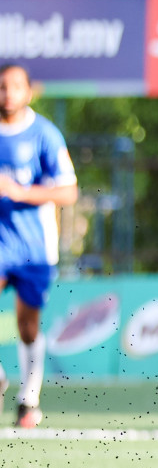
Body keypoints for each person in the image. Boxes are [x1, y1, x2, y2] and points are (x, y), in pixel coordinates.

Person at [0, 64, 77, 428]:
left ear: (29, 92)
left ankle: (28, 398)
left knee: (27, 325)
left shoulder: (45, 134)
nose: (8, 93)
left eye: (15, 86)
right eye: (2, 86)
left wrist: (21, 193)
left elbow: (69, 191)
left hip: (34, 246)